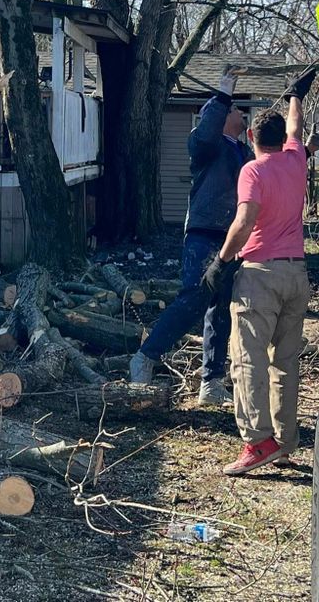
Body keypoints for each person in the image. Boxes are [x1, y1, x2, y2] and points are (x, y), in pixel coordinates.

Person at [206, 68, 317, 475]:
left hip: (260, 276)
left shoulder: (253, 170)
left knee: (247, 361)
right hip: (297, 274)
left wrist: (221, 261)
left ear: (251, 136)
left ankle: (257, 442)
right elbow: (296, 127)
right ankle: (284, 442)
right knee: (285, 362)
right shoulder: (296, 159)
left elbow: (245, 221)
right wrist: (296, 95)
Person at [129, 66, 250, 403]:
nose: (242, 113)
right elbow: (208, 130)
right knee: (193, 298)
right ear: (222, 116)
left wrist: (305, 150)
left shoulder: (243, 151)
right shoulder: (206, 143)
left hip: (230, 238)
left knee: (220, 308)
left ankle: (212, 382)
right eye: (236, 109)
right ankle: (146, 356)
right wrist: (223, 92)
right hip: (203, 233)